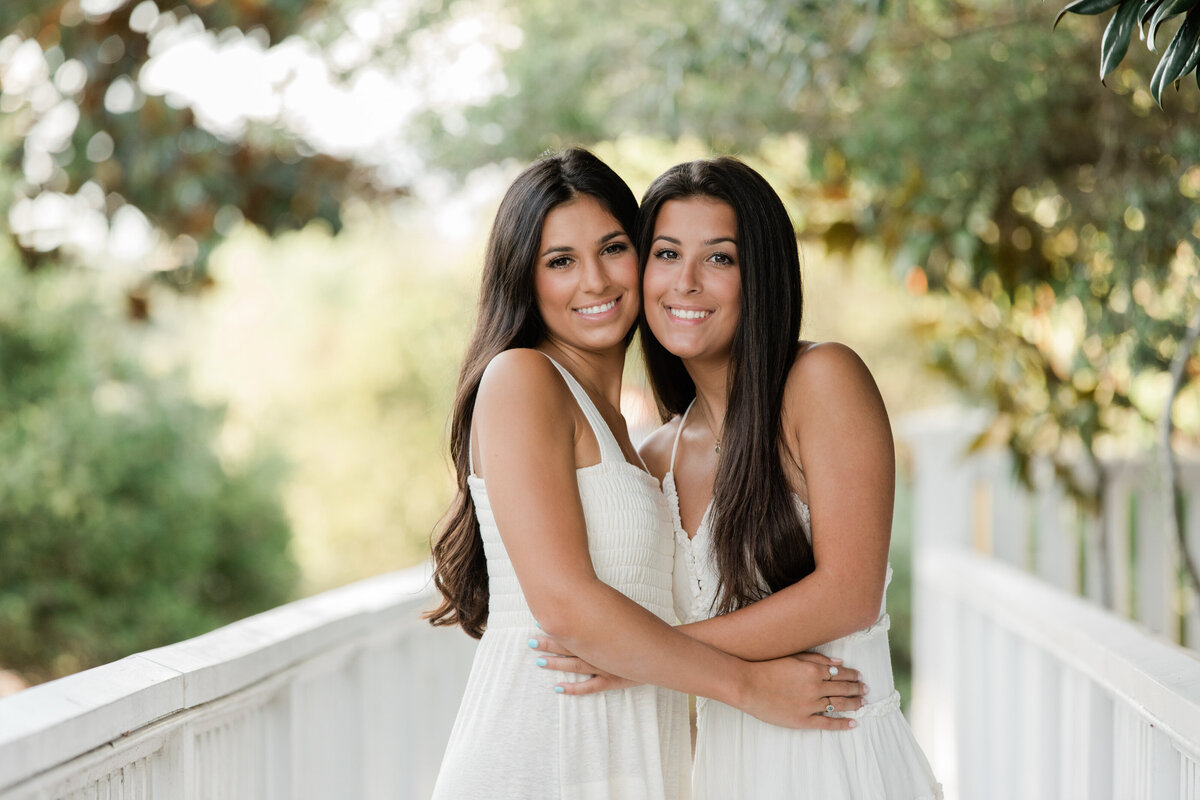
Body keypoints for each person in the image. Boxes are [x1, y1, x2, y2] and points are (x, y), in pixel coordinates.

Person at [427, 149, 868, 800]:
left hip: (625, 759)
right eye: (560, 262)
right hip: (538, 753)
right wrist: (747, 686)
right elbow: (567, 607)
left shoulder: (645, 447)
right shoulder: (521, 379)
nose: (595, 281)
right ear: (525, 279)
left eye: (612, 249)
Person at [533, 157, 942, 799]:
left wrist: (641, 657)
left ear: (761, 275)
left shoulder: (823, 381)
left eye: (719, 258)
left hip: (841, 764)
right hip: (724, 778)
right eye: (666, 254)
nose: (686, 282)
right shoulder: (656, 457)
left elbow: (849, 593)